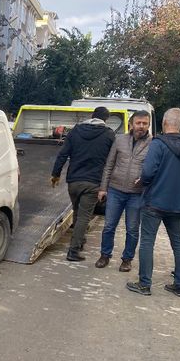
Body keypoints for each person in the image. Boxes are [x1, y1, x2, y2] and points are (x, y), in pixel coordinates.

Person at [127, 108, 180, 298]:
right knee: (178, 243)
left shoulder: (159, 144)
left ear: (165, 122)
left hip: (155, 202)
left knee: (147, 242)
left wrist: (142, 181)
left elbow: (149, 171)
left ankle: (144, 284)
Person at [51, 106, 115, 261]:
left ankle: (79, 242)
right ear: (106, 119)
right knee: (84, 217)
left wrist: (55, 174)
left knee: (77, 213)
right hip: (93, 182)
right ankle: (73, 251)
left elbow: (63, 154)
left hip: (73, 181)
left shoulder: (76, 131)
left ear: (92, 116)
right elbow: (112, 160)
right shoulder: (109, 135)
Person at [95, 110, 152, 272]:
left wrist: (144, 180)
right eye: (138, 123)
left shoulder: (153, 143)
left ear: (148, 125)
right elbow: (109, 165)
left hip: (137, 193)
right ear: (131, 124)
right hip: (115, 190)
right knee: (108, 226)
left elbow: (154, 169)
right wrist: (103, 188)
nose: (141, 126)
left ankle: (127, 259)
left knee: (132, 229)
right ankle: (105, 255)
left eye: (145, 123)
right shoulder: (119, 140)